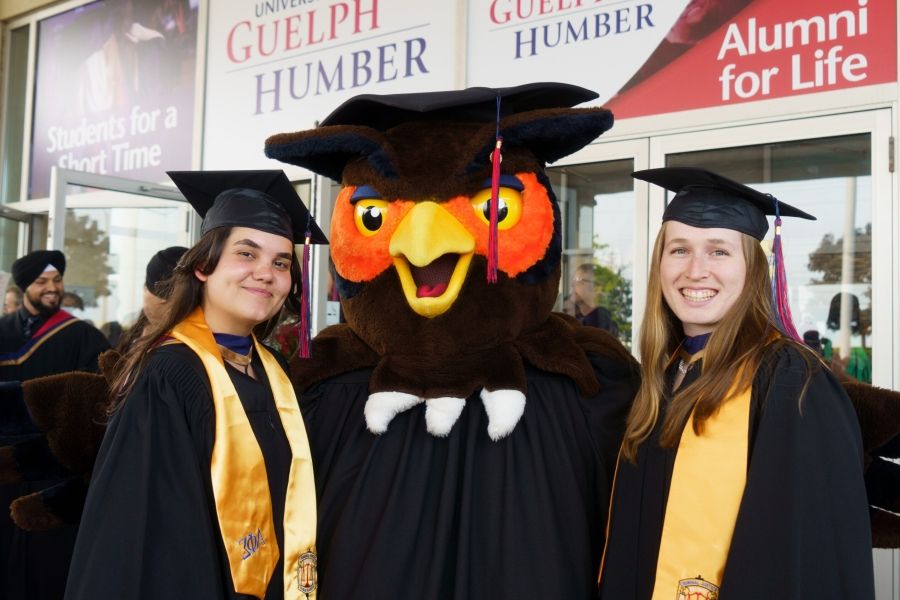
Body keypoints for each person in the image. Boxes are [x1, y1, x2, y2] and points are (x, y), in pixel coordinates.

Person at [599, 167, 874, 599]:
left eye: (719, 252)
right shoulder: (667, 375)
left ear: (753, 268)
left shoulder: (790, 380)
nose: (695, 270)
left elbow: (803, 557)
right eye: (679, 250)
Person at [65, 170, 328, 600]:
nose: (266, 273)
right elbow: (150, 531)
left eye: (281, 262)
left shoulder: (274, 370)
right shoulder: (170, 373)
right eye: (247, 254)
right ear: (204, 266)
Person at [0, 250, 111, 600]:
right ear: (24, 287)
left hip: (51, 466)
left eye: (57, 280)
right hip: (5, 465)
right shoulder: (3, 332)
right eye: (42, 282)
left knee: (47, 560)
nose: (52, 288)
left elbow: (97, 400)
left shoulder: (81, 336)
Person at [565, 262, 619, 335]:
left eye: (579, 280)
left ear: (596, 288)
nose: (573, 285)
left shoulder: (600, 323)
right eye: (574, 280)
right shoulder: (576, 319)